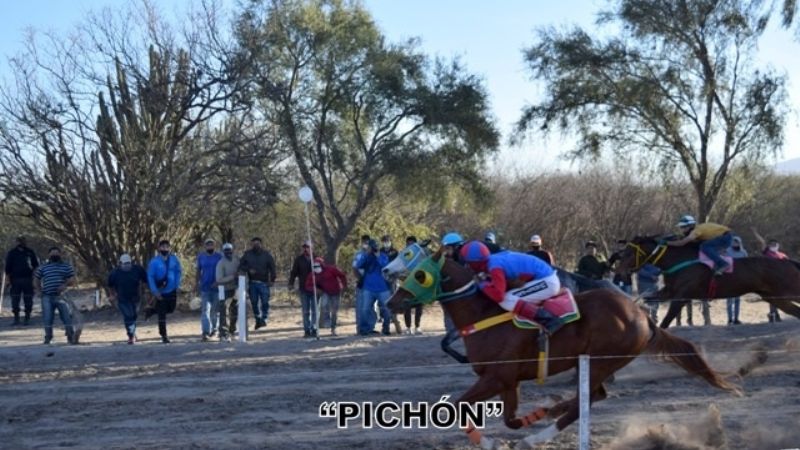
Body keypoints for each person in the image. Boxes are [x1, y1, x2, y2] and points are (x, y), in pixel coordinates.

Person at [459, 241, 563, 333]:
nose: (467, 266)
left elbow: (499, 296)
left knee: (506, 300)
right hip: (544, 279)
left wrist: (482, 284)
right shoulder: (493, 260)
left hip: (548, 282)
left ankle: (549, 319)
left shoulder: (495, 266)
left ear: (476, 263)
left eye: (468, 263)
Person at [33, 247, 76, 344]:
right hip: (47, 296)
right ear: (49, 255)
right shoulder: (43, 267)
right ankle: (48, 337)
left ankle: (70, 336)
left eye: (56, 254)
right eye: (52, 254)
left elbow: (72, 279)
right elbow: (36, 279)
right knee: (47, 318)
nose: (54, 256)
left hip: (62, 296)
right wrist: (38, 290)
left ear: (60, 255)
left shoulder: (66, 266)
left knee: (66, 317)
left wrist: (64, 285)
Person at [668, 215, 733, 275]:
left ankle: (723, 264)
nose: (682, 229)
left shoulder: (697, 230)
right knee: (698, 244)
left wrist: (667, 243)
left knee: (704, 246)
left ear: (691, 226)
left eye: (683, 227)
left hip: (725, 237)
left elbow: (682, 243)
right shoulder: (697, 229)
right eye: (681, 227)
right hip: (723, 237)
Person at [146, 240, 182, 344]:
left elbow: (179, 271)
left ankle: (152, 311)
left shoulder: (174, 260)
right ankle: (164, 335)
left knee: (171, 309)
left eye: (167, 247)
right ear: (159, 248)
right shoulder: (154, 262)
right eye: (163, 247)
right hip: (160, 291)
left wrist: (177, 284)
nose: (165, 249)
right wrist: (155, 291)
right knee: (162, 314)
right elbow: (151, 276)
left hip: (172, 289)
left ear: (169, 248)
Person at [108, 254, 148, 344]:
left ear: (131, 262)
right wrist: (112, 295)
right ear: (120, 263)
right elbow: (110, 285)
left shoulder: (137, 270)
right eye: (124, 263)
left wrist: (145, 291)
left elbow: (145, 280)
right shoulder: (115, 273)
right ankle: (131, 336)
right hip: (122, 299)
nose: (126, 265)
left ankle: (132, 333)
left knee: (133, 316)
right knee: (128, 316)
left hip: (135, 298)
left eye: (128, 263)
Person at [239, 237, 277, 330]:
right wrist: (248, 269)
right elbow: (240, 266)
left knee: (265, 301)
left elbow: (273, 268)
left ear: (261, 244)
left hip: (264, 283)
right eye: (254, 243)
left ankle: (264, 318)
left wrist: (272, 280)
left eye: (258, 243)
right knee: (254, 302)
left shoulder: (266, 255)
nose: (256, 245)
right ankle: (258, 319)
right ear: (252, 244)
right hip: (252, 283)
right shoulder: (247, 254)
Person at [356, 239, 392, 336]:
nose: (374, 249)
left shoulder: (383, 256)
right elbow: (358, 265)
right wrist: (366, 254)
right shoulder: (366, 256)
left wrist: (378, 256)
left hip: (383, 288)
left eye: (375, 247)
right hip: (368, 288)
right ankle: (364, 329)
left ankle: (386, 328)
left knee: (387, 309)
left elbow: (385, 266)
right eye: (372, 247)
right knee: (365, 309)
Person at [305, 257, 347, 336]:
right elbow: (308, 285)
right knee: (324, 305)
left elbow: (342, 275)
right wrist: (315, 289)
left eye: (317, 266)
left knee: (334, 311)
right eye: (314, 267)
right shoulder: (313, 274)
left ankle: (333, 327)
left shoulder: (331, 269)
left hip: (336, 292)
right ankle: (327, 321)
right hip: (325, 292)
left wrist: (343, 285)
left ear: (322, 265)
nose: (316, 268)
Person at [753, 228, 787, 323]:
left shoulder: (782, 255)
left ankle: (775, 313)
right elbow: (762, 242)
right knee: (772, 297)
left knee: (778, 297)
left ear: (778, 245)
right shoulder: (767, 252)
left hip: (780, 278)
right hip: (770, 278)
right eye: (771, 244)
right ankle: (773, 314)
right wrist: (755, 233)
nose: (773, 246)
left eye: (774, 244)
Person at [5, 236, 40, 326]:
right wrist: (8, 280)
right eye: (18, 241)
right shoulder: (12, 253)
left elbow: (36, 266)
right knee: (15, 300)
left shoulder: (30, 252)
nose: (20, 243)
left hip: (28, 279)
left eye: (22, 241)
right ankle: (16, 318)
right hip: (15, 280)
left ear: (25, 242)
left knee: (28, 299)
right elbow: (7, 268)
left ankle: (27, 318)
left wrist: (35, 279)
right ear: (16, 242)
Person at [196, 239, 222, 341]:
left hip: (216, 287)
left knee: (215, 311)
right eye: (208, 245)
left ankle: (215, 330)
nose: (210, 246)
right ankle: (205, 332)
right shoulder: (201, 257)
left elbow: (223, 270)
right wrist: (196, 283)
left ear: (214, 246)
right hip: (205, 287)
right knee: (205, 311)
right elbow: (198, 270)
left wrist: (220, 282)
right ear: (205, 246)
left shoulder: (219, 256)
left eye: (211, 244)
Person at [289, 240, 316, 337]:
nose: (306, 249)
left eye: (308, 247)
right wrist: (291, 283)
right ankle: (307, 330)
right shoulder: (299, 259)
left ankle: (314, 329)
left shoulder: (317, 259)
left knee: (315, 311)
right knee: (305, 311)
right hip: (304, 288)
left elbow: (322, 273)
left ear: (312, 248)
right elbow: (294, 272)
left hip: (315, 289)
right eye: (304, 247)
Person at [215, 243, 240, 341]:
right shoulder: (220, 263)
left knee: (235, 310)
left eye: (229, 250)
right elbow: (219, 279)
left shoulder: (237, 261)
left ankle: (232, 331)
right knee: (223, 310)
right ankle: (223, 333)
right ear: (223, 251)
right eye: (226, 250)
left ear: (232, 250)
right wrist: (233, 277)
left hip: (236, 289)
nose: (228, 252)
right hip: (225, 290)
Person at [352, 234, 372, 334]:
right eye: (364, 242)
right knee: (360, 307)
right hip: (361, 282)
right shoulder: (358, 254)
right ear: (361, 243)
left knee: (371, 307)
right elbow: (354, 269)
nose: (366, 244)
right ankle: (360, 328)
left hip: (371, 283)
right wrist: (360, 279)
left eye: (367, 242)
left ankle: (370, 328)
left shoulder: (373, 254)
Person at [726, 236, 747, 325]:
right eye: (734, 242)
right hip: (729, 277)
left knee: (737, 299)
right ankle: (730, 319)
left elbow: (747, 264)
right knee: (729, 299)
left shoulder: (743, 252)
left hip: (740, 277)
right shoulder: (727, 251)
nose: (735, 244)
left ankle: (736, 319)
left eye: (737, 242)